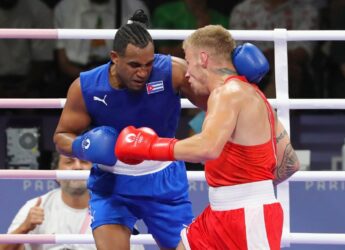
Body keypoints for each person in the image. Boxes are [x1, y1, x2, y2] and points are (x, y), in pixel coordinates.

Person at [115, 25, 301, 249]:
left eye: (188, 61)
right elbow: (290, 163)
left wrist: (149, 147)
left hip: (247, 217)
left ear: (203, 58)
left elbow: (208, 147)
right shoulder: (253, 95)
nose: (186, 72)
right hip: (220, 212)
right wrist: (251, 186)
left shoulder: (227, 93)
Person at [53, 9, 205, 250]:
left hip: (163, 179)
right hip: (112, 183)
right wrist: (84, 145)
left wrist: (230, 76)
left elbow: (214, 99)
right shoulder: (87, 87)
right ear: (114, 57)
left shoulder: (171, 72)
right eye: (134, 65)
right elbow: (61, 137)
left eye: (148, 64)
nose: (143, 72)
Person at [1, 153, 144, 250]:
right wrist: (24, 228)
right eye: (69, 162)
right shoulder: (36, 206)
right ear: (55, 172)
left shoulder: (115, 212)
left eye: (84, 161)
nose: (77, 167)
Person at [53, 0, 150, 95]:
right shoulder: (64, 7)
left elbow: (142, 58)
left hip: (122, 76)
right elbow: (63, 62)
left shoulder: (136, 8)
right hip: (75, 75)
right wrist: (90, 80)